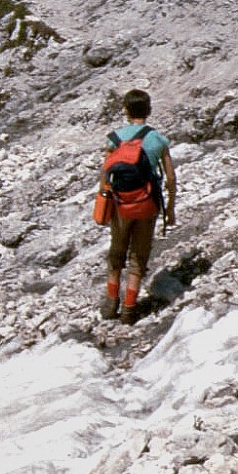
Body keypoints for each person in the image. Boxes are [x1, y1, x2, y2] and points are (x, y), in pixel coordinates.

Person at [98, 88, 175, 323]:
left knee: (117, 251)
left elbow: (105, 172)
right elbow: (170, 178)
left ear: (126, 110)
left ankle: (111, 304)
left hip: (122, 203)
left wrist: (105, 199)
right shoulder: (158, 139)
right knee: (138, 256)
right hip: (148, 203)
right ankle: (130, 310)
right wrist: (169, 208)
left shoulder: (114, 138)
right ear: (149, 110)